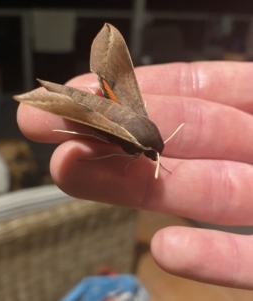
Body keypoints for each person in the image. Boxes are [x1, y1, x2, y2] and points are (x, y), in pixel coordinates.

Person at [17, 61, 253, 290]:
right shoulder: (136, 145)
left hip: (115, 105)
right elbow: (116, 151)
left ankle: (50, 96)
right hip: (90, 111)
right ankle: (47, 99)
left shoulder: (145, 125)